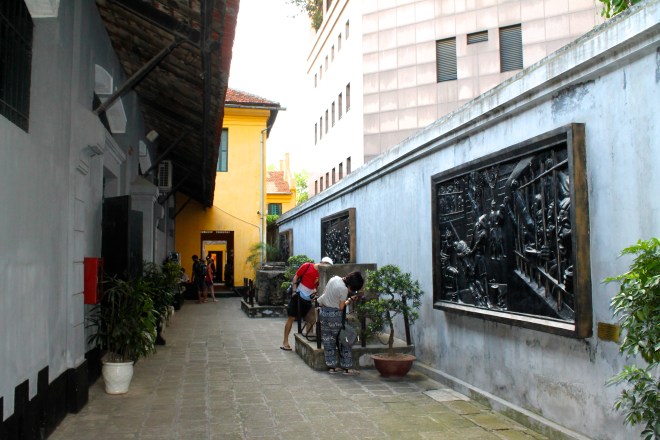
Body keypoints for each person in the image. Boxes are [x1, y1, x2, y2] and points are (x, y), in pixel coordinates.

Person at [280, 256, 333, 351]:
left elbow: (316, 286)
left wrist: (315, 294)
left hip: (308, 298)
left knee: (311, 318)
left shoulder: (321, 274)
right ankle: (285, 342)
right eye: (326, 266)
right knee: (291, 318)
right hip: (298, 295)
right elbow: (296, 276)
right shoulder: (307, 266)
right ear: (322, 263)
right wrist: (294, 291)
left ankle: (309, 337)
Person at [316, 271, 364, 375]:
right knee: (344, 340)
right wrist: (350, 300)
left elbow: (325, 293)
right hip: (334, 316)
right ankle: (347, 368)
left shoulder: (334, 278)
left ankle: (332, 367)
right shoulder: (343, 289)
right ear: (351, 285)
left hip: (323, 313)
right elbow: (341, 307)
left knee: (328, 341)